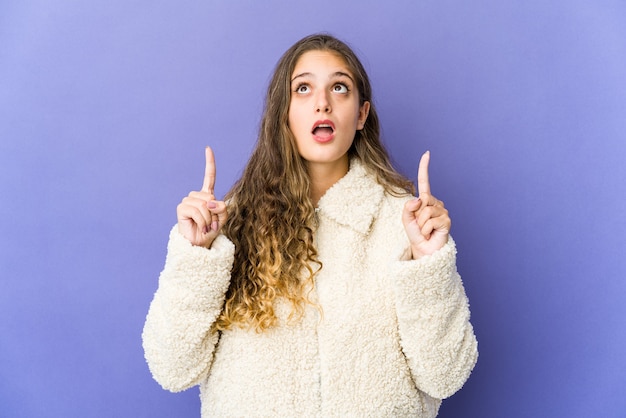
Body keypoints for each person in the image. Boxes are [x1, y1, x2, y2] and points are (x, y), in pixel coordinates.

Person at [142, 33, 477, 417]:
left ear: (362, 114)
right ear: (283, 112)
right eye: (303, 89)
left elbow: (445, 376)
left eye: (339, 88)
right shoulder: (228, 224)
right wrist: (195, 255)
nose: (323, 103)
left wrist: (427, 264)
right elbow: (172, 368)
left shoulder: (405, 223)